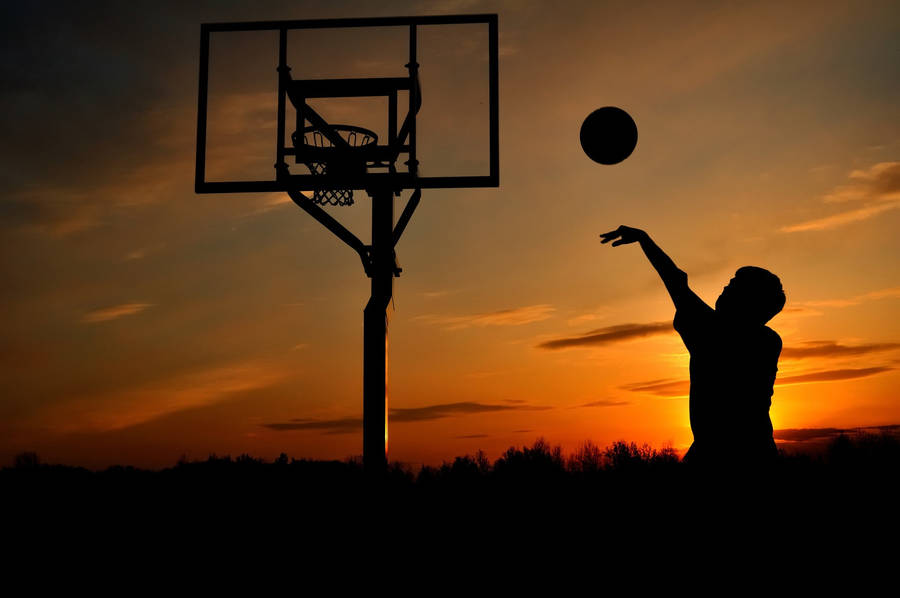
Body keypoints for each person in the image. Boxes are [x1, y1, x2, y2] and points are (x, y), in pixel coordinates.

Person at [600, 225, 785, 469]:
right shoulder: (768, 340)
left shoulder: (712, 331)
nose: (725, 287)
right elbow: (678, 283)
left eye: (733, 285)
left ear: (747, 301)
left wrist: (645, 240)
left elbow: (675, 281)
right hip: (757, 454)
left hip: (719, 457)